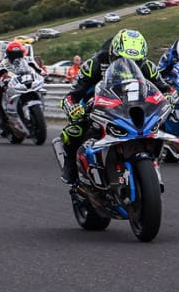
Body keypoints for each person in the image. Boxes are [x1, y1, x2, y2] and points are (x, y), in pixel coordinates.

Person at [58, 29, 170, 185]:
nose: (130, 64)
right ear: (113, 53)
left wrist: (171, 97)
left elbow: (165, 88)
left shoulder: (147, 66)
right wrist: (73, 107)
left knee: (160, 120)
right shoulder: (94, 64)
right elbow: (72, 95)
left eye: (136, 61)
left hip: (134, 104)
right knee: (73, 132)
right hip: (98, 104)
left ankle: (154, 158)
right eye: (123, 59)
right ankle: (71, 170)